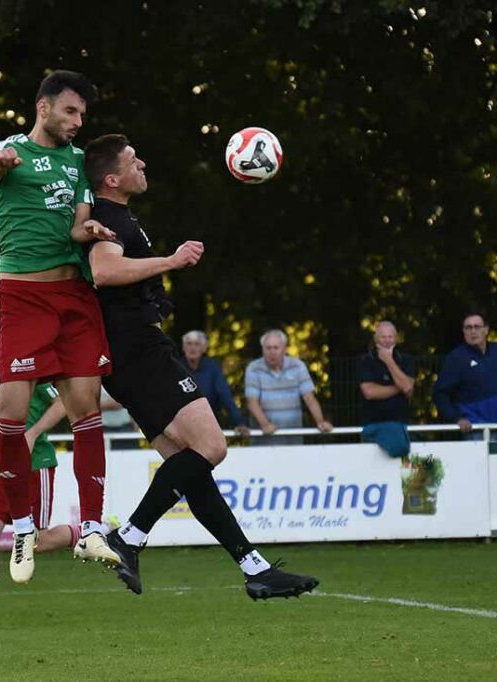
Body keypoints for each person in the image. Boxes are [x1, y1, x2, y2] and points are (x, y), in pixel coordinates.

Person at [82, 133, 318, 600]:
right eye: (133, 160)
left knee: (188, 467)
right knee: (211, 446)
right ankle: (128, 537)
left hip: (130, 356)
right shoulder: (110, 217)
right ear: (112, 178)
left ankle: (255, 568)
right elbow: (104, 272)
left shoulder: (116, 216)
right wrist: (170, 260)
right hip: (140, 351)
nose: (143, 163)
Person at [0, 69, 119, 582]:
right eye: (70, 112)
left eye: (82, 114)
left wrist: (92, 229)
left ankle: (94, 527)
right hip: (21, 297)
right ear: (44, 108)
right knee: (10, 418)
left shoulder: (80, 161)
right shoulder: (8, 149)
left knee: (87, 410)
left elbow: (79, 221)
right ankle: (22, 529)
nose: (78, 122)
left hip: (74, 299)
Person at [0, 309, 77, 625]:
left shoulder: (26, 365)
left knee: (36, 541)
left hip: (35, 464)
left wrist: (33, 433)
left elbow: (63, 400)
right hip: (0, 466)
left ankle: (95, 531)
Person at [433, 312, 497, 440]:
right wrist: (457, 418)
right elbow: (440, 394)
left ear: (486, 330)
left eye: (477, 327)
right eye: (468, 327)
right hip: (476, 431)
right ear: (463, 331)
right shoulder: (456, 358)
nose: (473, 331)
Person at [244, 330, 334, 444]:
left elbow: (309, 398)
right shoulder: (253, 368)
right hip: (264, 438)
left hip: (293, 435)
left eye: (276, 348)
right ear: (262, 349)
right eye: (268, 348)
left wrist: (320, 422)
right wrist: (265, 424)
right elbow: (252, 402)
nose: (272, 352)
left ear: (284, 349)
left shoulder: (298, 366)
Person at [357, 321, 416, 458]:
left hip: (401, 425)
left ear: (396, 339)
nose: (387, 341)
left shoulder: (407, 360)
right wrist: (400, 387)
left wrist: (389, 361)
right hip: (372, 425)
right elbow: (369, 392)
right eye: (383, 337)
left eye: (390, 337)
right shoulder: (365, 361)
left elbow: (408, 389)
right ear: (376, 339)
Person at [180, 330, 251, 436]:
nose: (192, 348)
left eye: (197, 344)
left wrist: (240, 422)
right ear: (183, 348)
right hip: (181, 425)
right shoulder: (176, 367)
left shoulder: (213, 368)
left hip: (208, 424)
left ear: (204, 348)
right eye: (189, 344)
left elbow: (225, 396)